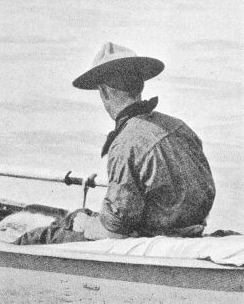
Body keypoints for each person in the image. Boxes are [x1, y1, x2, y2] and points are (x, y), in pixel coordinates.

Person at [17, 42, 215, 245]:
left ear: (104, 92)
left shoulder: (126, 143)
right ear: (140, 85)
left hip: (148, 239)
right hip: (188, 231)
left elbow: (114, 232)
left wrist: (86, 225)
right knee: (77, 215)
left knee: (35, 238)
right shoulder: (179, 127)